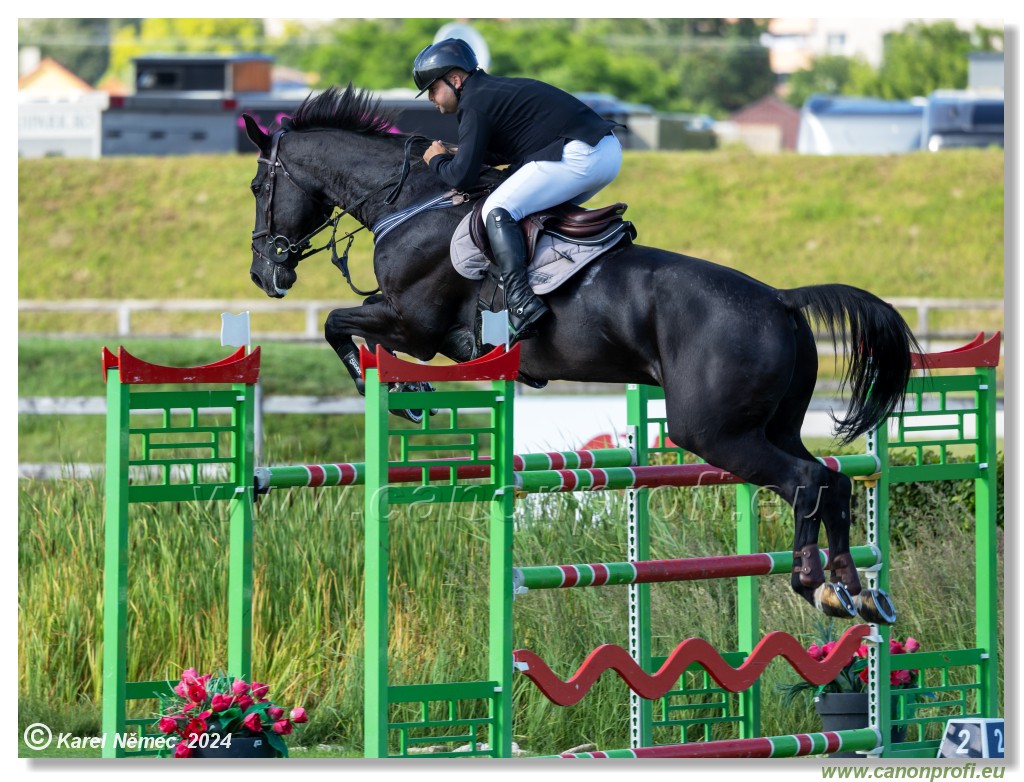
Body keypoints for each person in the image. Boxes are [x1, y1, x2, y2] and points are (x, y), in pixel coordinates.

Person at [413, 38, 623, 343]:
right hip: (604, 153)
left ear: (455, 79)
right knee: (528, 212)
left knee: (495, 211)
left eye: (433, 89)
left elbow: (462, 177)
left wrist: (437, 160)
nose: (431, 98)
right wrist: (461, 153)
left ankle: (521, 301)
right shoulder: (489, 92)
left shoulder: (474, 104)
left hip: (581, 155)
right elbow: (504, 154)